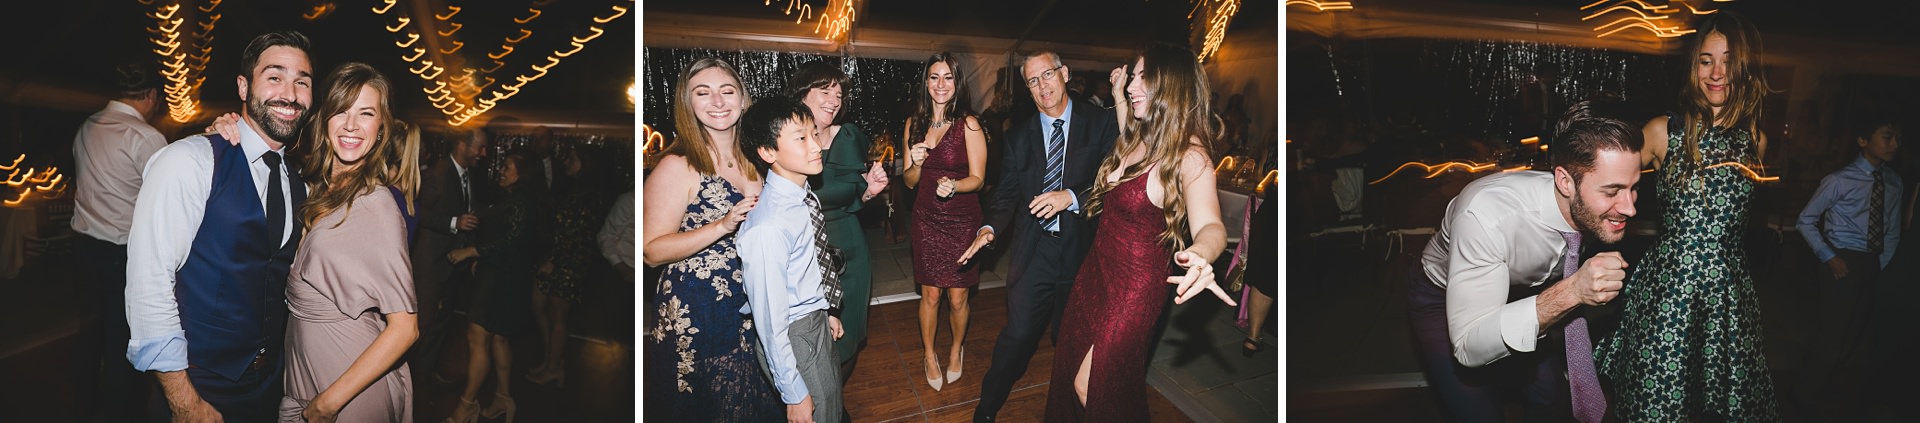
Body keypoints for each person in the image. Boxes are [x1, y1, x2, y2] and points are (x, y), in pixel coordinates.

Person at [1039, 43, 1243, 422]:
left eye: (1143, 78)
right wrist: (1120, 95)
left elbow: (1211, 225)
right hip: (1096, 271)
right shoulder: (1139, 136)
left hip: (1135, 288)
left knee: (1092, 386)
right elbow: (1126, 137)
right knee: (1075, 370)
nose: (1133, 85)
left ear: (1172, 84)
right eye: (1133, 77)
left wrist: (1203, 253)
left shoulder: (1190, 156)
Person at [1595, 11, 1782, 421]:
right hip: (1670, 292)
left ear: (1744, 69)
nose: (1716, 73)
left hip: (1727, 296)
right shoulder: (1663, 131)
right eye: (1705, 61)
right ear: (1693, 66)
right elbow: (1607, 181)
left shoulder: (1755, 140)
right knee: (1659, 402)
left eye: (1728, 61)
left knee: (1718, 406)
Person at [1407, 101, 1641, 423]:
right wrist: (1571, 291)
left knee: (1551, 397)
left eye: (1633, 188)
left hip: (1521, 292)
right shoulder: (1486, 215)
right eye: (1613, 191)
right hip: (1440, 296)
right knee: (1478, 414)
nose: (1629, 208)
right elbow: (1468, 346)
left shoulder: (1590, 205)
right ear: (1565, 182)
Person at [124, 29, 314, 421]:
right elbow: (149, 285)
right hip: (198, 384)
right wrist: (184, 401)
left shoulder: (300, 185)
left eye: (302, 82)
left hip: (270, 386)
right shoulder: (188, 161)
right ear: (244, 87)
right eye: (274, 77)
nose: (290, 94)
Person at [959, 49, 1121, 421]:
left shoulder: (1101, 122)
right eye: (1032, 81)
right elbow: (1005, 195)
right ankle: (986, 408)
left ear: (1064, 73)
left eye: (1047, 75)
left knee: (1072, 340)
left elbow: (1111, 180)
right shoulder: (1018, 136)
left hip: (1084, 252)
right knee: (1017, 336)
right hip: (1035, 252)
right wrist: (988, 228)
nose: (1042, 86)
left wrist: (1071, 197)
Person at [276, 62, 421, 422]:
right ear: (325, 119)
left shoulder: (376, 205)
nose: (351, 125)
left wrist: (328, 403)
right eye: (341, 111)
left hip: (346, 391)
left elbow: (405, 328)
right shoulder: (319, 187)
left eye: (366, 114)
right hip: (309, 374)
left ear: (381, 127)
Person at [641, 57, 782, 421]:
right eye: (703, 93)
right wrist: (721, 225)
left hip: (752, 304)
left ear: (742, 98)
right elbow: (651, 251)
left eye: (727, 91)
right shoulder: (677, 165)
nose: (717, 102)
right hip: (699, 312)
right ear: (688, 103)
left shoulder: (757, 159)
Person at [737, 96, 846, 423]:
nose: (815, 146)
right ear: (767, 152)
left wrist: (824, 310)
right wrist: (793, 391)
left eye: (814, 134)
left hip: (812, 322)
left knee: (833, 410)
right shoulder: (768, 226)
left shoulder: (802, 196)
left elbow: (805, 268)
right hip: (793, 336)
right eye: (801, 138)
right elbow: (770, 321)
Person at [69, 59, 166, 423]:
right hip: (121, 255)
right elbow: (163, 203)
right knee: (122, 338)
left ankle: (84, 404)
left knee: (90, 330)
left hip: (83, 248)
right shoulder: (145, 137)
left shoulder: (87, 126)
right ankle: (122, 413)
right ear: (151, 95)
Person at [784, 59, 890, 388]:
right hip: (803, 252)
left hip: (850, 248)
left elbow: (854, 196)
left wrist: (870, 191)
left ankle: (833, 404)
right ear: (802, 93)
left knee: (848, 336)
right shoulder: (785, 137)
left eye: (839, 94)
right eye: (825, 91)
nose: (834, 100)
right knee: (809, 340)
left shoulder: (849, 136)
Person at [1792, 115, 1902, 419]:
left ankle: (1824, 382)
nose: (1895, 144)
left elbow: (1891, 230)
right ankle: (1802, 393)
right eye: (1887, 137)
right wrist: (1830, 256)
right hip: (1841, 258)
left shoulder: (1893, 181)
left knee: (1853, 335)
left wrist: (1883, 267)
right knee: (1832, 336)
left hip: (1873, 260)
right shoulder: (1839, 180)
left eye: (1898, 138)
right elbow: (1805, 220)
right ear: (1863, 141)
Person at [901, 51, 989, 392]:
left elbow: (978, 179)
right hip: (926, 220)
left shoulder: (969, 124)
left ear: (957, 83)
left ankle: (955, 350)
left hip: (962, 221)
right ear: (926, 82)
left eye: (948, 77)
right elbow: (909, 182)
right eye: (934, 77)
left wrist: (955, 185)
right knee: (931, 295)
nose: (941, 84)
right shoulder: (914, 124)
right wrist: (917, 163)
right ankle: (928, 354)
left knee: (957, 298)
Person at [444, 150, 550, 423]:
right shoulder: (518, 199)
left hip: (500, 280)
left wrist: (471, 252)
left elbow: (511, 243)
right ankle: (504, 397)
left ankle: (466, 405)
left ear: (522, 173)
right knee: (499, 338)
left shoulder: (521, 202)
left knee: (477, 338)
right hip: (502, 275)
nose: (501, 170)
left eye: (507, 166)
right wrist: (483, 258)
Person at [528, 144, 615, 387]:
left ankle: (553, 367)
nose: (566, 162)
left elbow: (577, 235)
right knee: (541, 307)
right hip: (558, 256)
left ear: (585, 164)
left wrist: (554, 261)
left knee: (558, 315)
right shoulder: (574, 189)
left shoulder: (589, 196)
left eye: (572, 158)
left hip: (570, 261)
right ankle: (551, 360)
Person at [408, 127, 489, 384]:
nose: (483, 154)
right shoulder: (439, 173)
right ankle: (405, 378)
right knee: (423, 324)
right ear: (463, 146)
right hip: (431, 265)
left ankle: (426, 372)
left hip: (453, 263)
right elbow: (418, 211)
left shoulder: (468, 174)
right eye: (480, 147)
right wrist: (454, 222)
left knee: (441, 323)